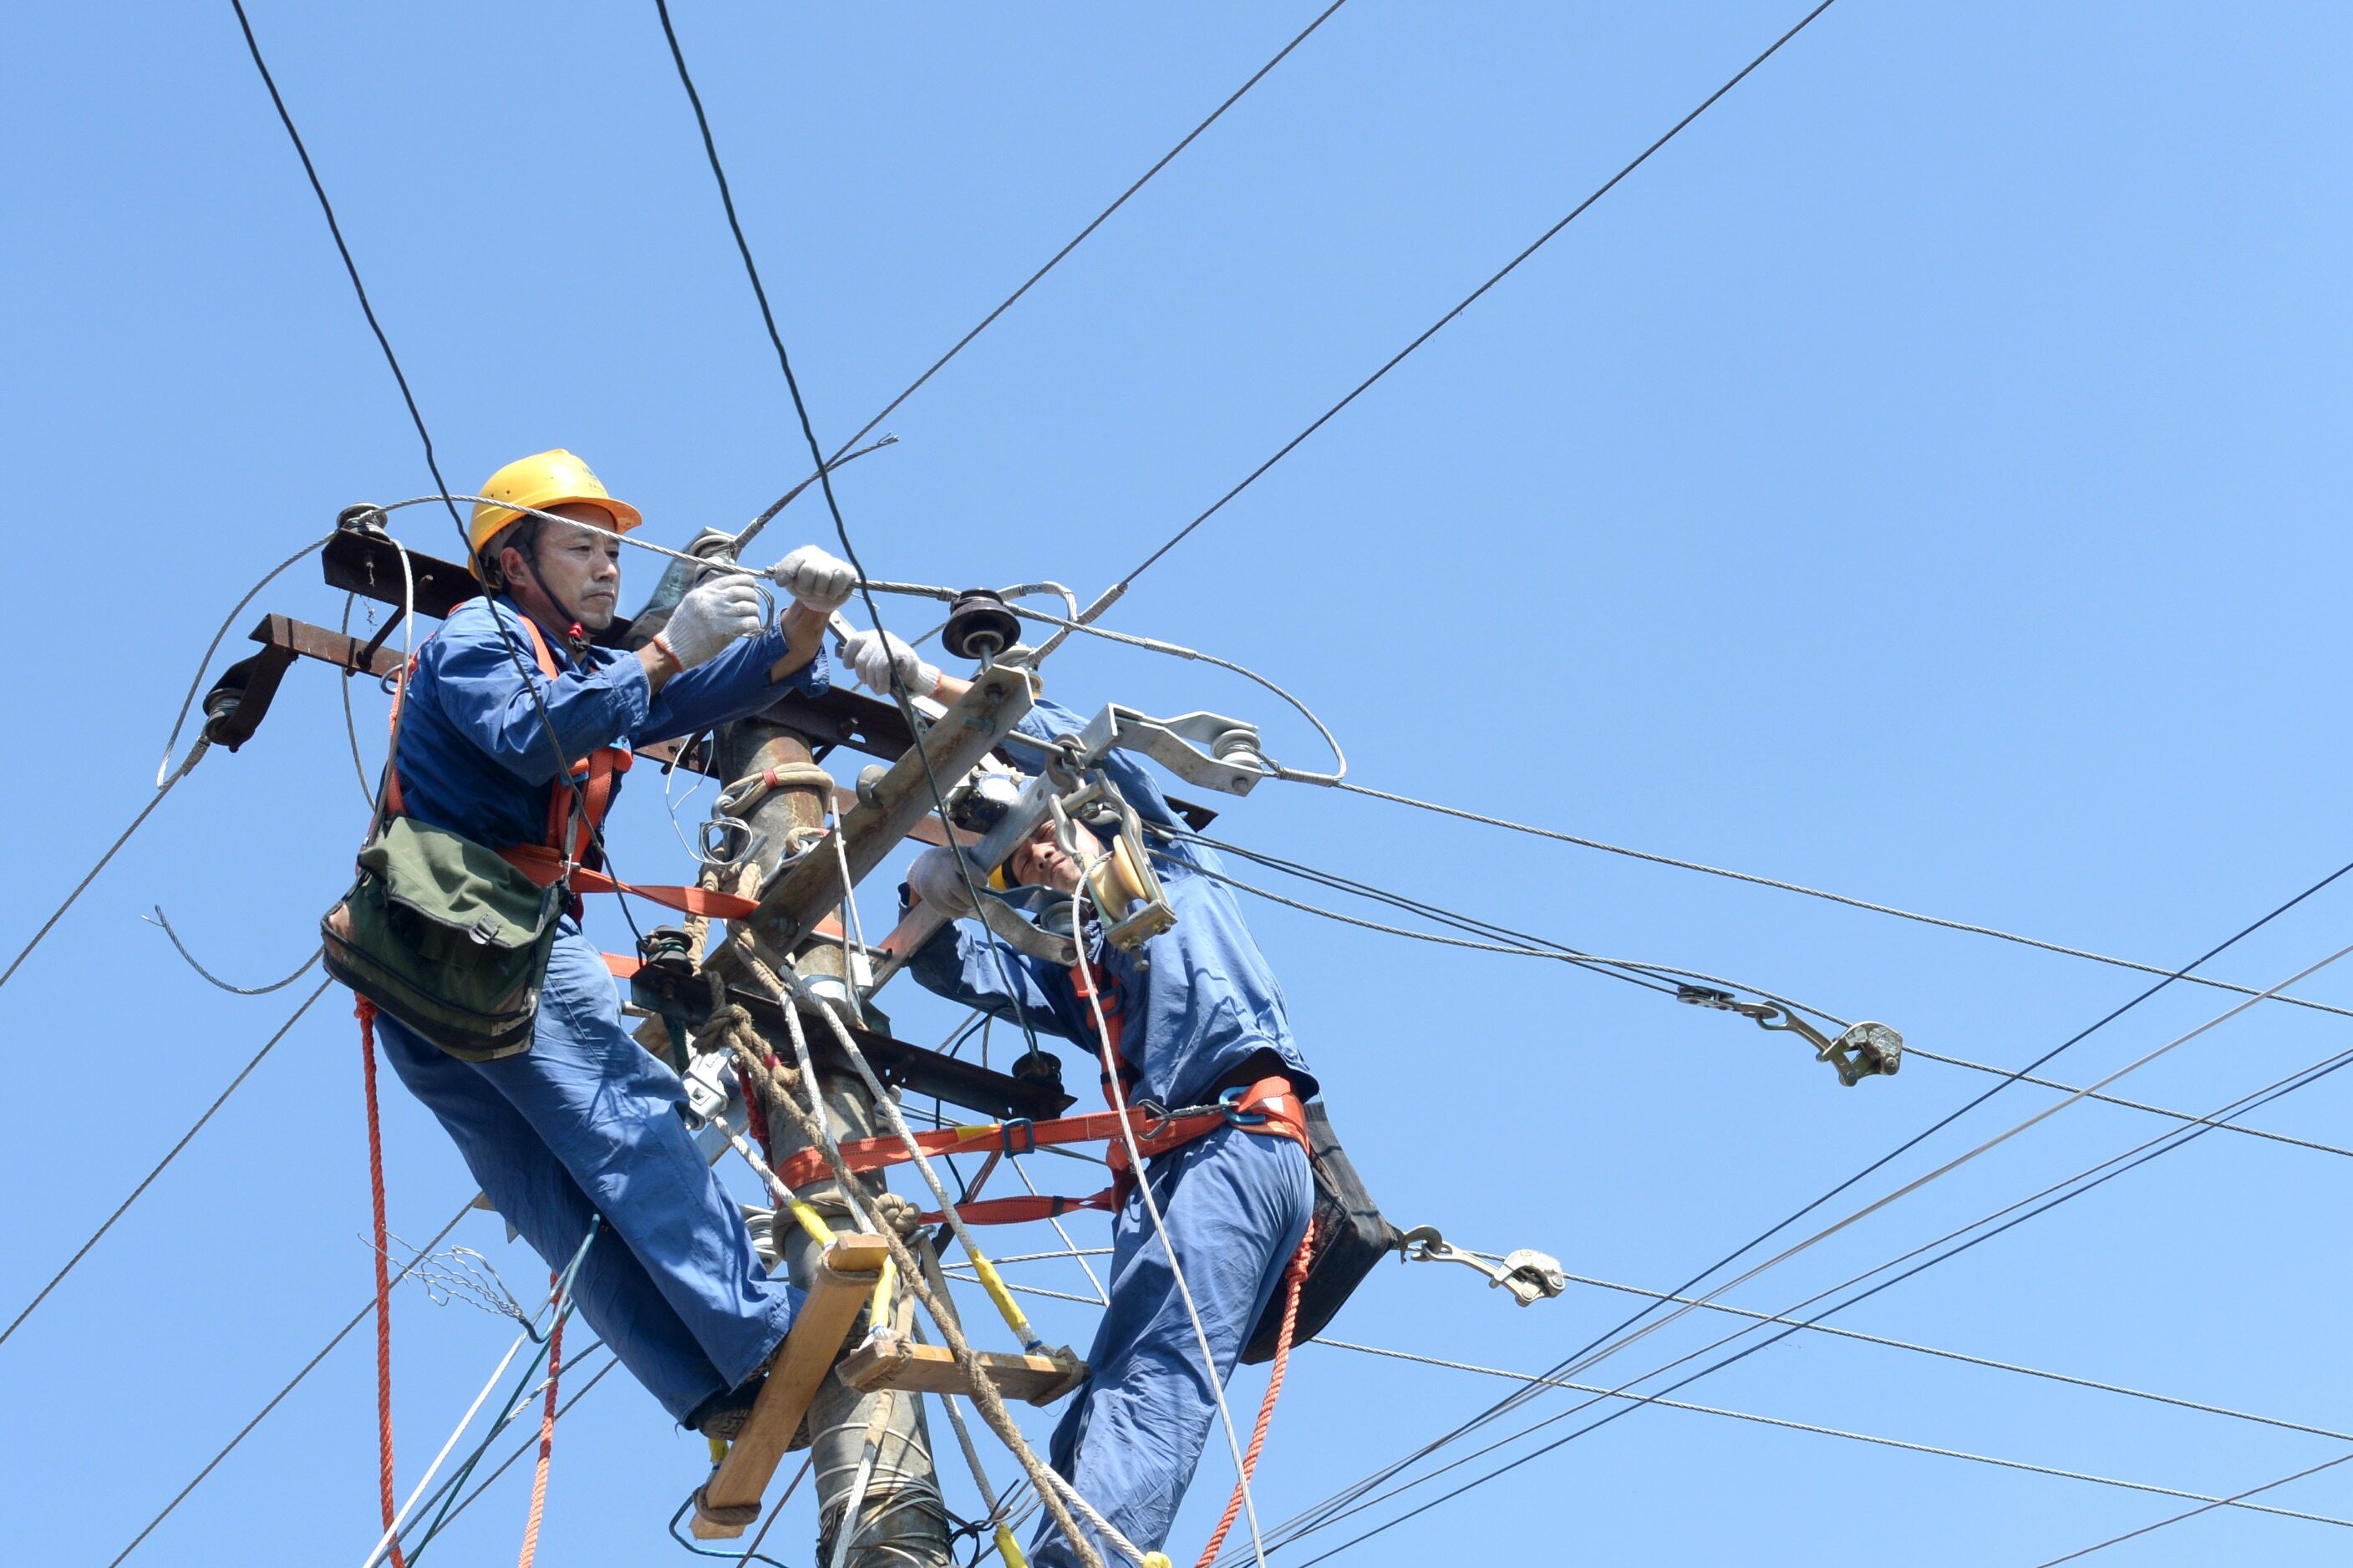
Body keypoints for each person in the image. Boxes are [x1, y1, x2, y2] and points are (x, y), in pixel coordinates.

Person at [370, 448, 859, 1436]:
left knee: (556, 1190)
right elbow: (531, 734)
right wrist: (666, 647)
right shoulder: (479, 633)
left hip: (420, 967)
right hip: (491, 932)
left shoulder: (585, 667)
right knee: (627, 1119)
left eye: (614, 553)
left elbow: (700, 695)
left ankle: (713, 1383)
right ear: (513, 562)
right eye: (581, 549)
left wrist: (802, 623)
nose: (607, 569)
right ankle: (761, 1332)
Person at [846, 628, 1318, 1566]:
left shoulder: (1170, 870)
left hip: (1235, 1135)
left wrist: (934, 683)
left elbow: (1065, 741)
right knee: (1109, 1395)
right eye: (1022, 864)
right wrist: (926, 888)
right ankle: (1067, 1549)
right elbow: (955, 969)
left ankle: (1086, 1560)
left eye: (1046, 836)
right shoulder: (1074, 968)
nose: (1043, 860)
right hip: (1171, 1168)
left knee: (1153, 1377)